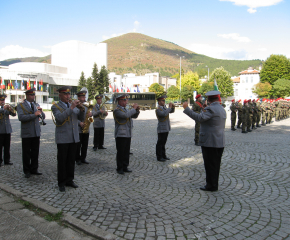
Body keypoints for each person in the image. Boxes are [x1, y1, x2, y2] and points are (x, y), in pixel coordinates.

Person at [183, 90, 226, 191]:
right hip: (219, 141)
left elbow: (199, 118)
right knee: (215, 165)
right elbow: (209, 118)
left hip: (210, 142)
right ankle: (214, 184)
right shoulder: (221, 108)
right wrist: (204, 109)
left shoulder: (211, 109)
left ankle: (210, 185)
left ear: (209, 99)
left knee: (209, 164)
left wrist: (187, 109)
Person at [51, 86, 85, 192]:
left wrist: (81, 109)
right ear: (60, 95)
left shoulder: (73, 105)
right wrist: (71, 108)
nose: (68, 96)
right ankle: (61, 182)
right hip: (63, 137)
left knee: (71, 161)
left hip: (74, 137)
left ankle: (69, 180)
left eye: (69, 94)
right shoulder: (55, 106)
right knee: (62, 161)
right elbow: (60, 119)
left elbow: (81, 118)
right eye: (65, 94)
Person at [17, 88, 45, 178]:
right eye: (31, 95)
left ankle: (34, 168)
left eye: (34, 95)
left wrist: (41, 111)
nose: (33, 97)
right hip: (27, 132)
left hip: (36, 132)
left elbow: (42, 116)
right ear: (27, 96)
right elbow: (21, 118)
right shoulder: (21, 105)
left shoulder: (36, 104)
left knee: (35, 152)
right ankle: (27, 170)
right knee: (26, 152)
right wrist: (34, 115)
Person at [113, 94, 139, 174]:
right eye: (125, 100)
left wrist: (137, 110)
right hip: (121, 133)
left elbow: (134, 116)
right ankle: (119, 168)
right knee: (121, 152)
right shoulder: (117, 110)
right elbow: (125, 116)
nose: (126, 101)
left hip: (127, 132)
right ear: (120, 101)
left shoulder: (126, 109)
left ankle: (125, 166)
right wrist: (133, 109)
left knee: (126, 151)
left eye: (126, 100)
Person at [155, 95, 174, 162]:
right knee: (160, 143)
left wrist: (172, 107)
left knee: (163, 143)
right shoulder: (158, 109)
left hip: (166, 127)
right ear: (159, 102)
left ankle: (163, 155)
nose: (164, 101)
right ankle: (159, 156)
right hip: (161, 128)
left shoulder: (164, 108)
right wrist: (169, 108)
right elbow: (163, 114)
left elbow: (171, 111)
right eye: (162, 100)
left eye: (164, 100)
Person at [76, 90, 91, 165]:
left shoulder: (86, 106)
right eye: (82, 97)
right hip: (78, 128)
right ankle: (77, 159)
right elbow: (74, 117)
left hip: (86, 128)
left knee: (85, 145)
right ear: (78, 97)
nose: (84, 98)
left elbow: (89, 114)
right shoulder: (75, 106)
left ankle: (83, 158)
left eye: (84, 96)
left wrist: (91, 116)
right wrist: (79, 123)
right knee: (78, 145)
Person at [0, 94, 16, 167]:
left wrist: (11, 110)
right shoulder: (2, 108)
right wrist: (4, 109)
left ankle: (7, 160)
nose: (2, 101)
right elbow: (2, 111)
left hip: (7, 129)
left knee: (7, 146)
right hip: (0, 130)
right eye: (1, 100)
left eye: (3, 100)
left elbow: (14, 114)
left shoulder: (6, 107)